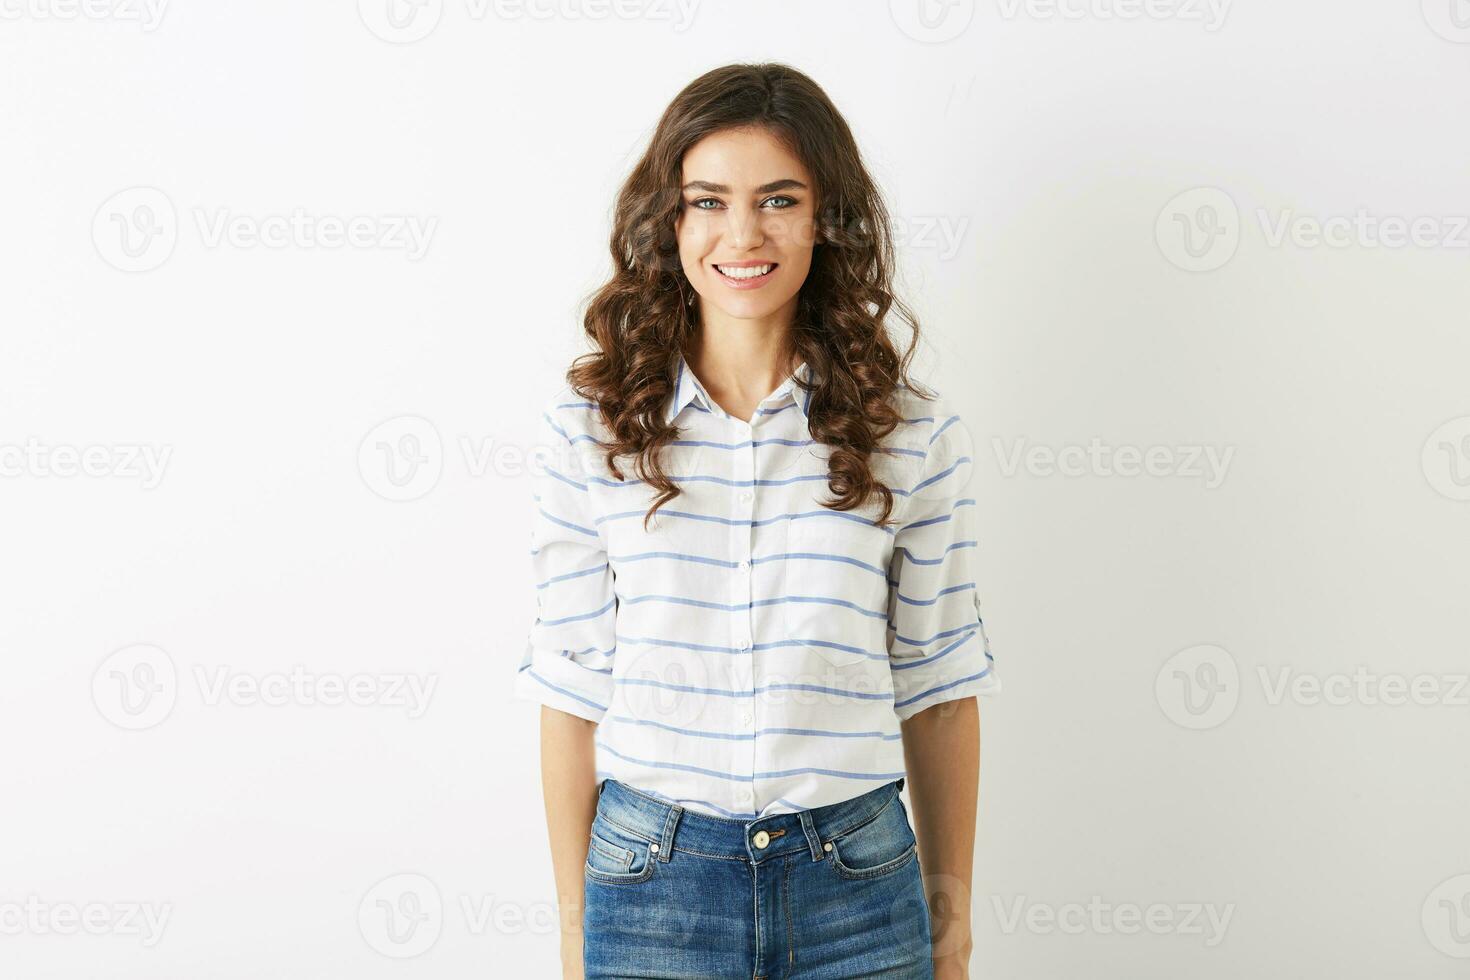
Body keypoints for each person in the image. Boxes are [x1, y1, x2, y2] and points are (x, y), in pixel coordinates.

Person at [514, 62, 1001, 980]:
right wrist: (576, 937)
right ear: (670, 221)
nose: (743, 234)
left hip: (857, 885)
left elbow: (939, 691)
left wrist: (954, 932)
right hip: (649, 884)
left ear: (826, 219)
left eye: (779, 199)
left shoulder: (912, 435)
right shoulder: (592, 432)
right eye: (709, 201)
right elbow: (570, 695)